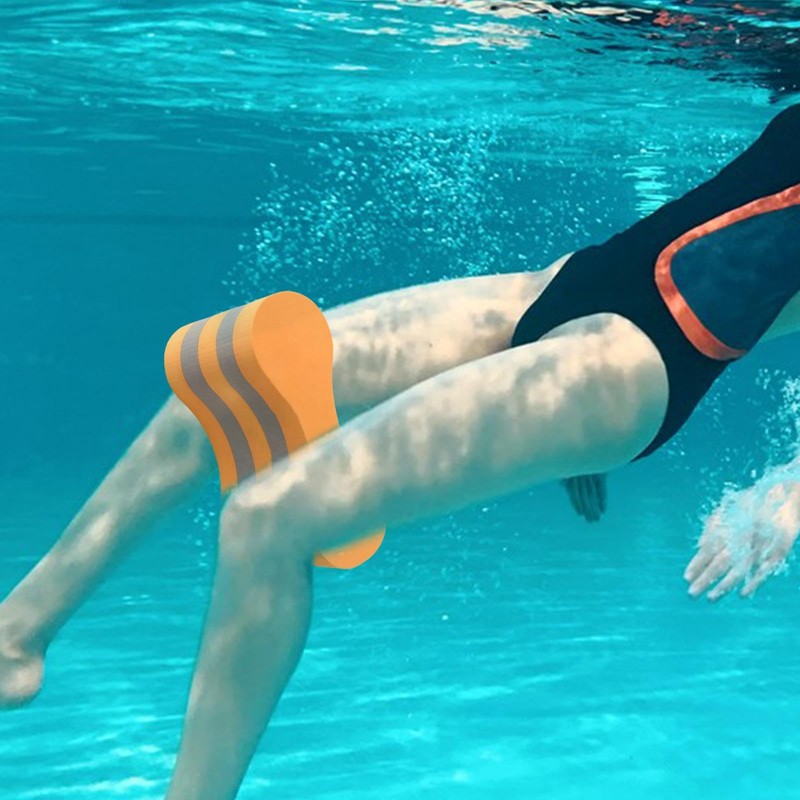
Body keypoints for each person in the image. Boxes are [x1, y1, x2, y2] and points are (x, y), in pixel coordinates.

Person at [1, 102, 798, 799]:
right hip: (555, 288)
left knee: (266, 520)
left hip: (630, 360)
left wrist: (789, 490)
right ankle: (16, 637)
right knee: (216, 391)